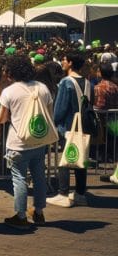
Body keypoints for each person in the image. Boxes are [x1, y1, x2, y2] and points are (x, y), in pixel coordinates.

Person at [0, 55, 53, 229]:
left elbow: (1, 118)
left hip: (18, 142)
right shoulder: (42, 88)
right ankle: (39, 212)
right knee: (39, 177)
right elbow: (49, 115)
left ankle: (21, 216)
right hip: (39, 141)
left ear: (11, 72)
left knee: (19, 178)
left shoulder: (10, 91)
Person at [48, 51, 92, 208]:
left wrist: (54, 122)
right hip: (84, 126)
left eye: (64, 60)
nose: (62, 62)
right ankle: (80, 193)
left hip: (67, 126)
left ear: (71, 63)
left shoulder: (66, 82)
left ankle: (63, 193)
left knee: (64, 160)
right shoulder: (87, 83)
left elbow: (59, 109)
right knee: (81, 159)